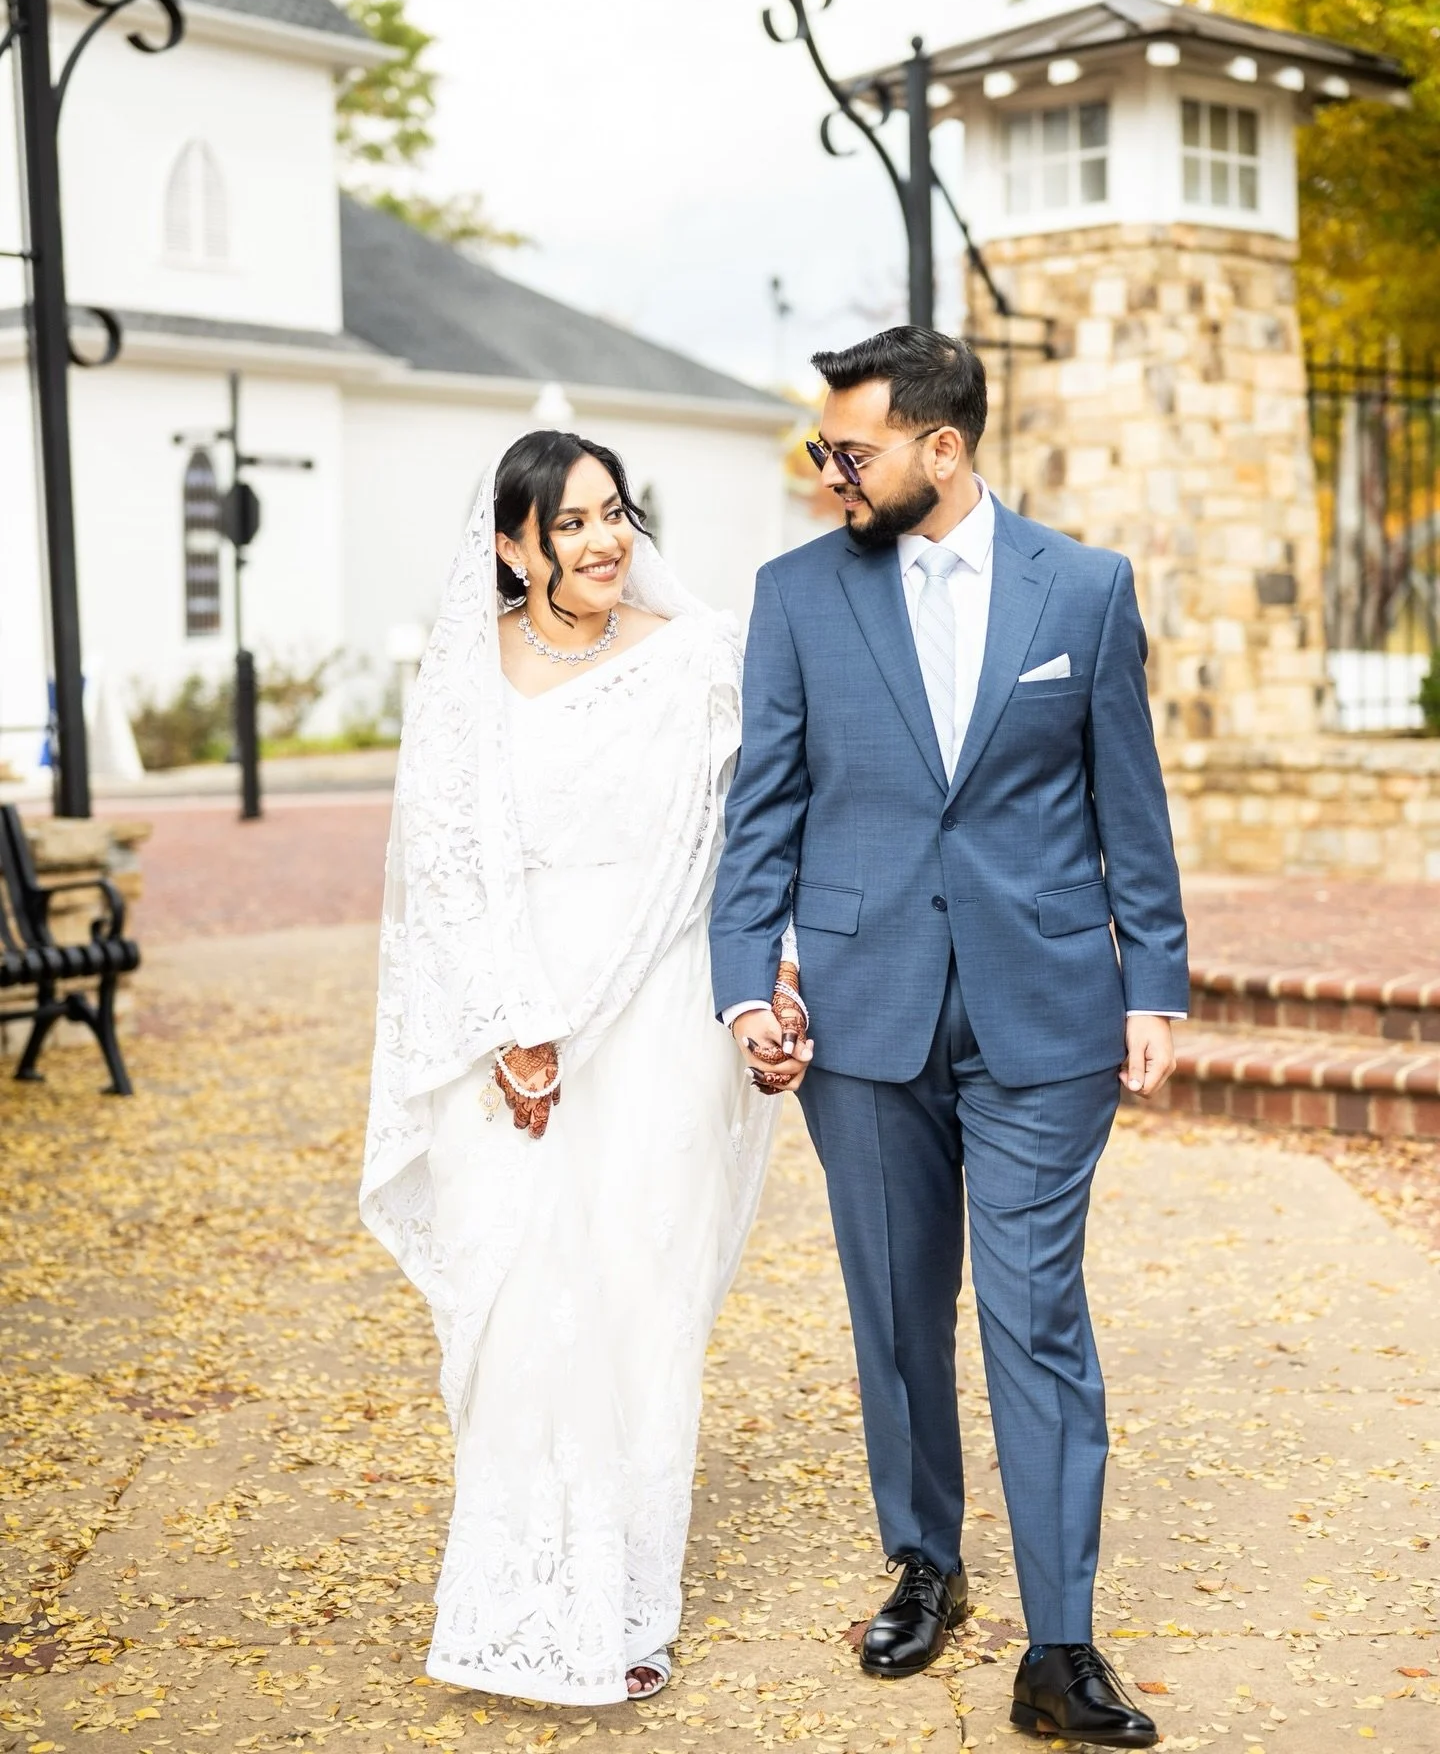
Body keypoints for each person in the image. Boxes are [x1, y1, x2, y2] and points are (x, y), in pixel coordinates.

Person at [709, 327, 1188, 1751]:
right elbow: (763, 818)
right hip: (860, 1013)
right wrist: (747, 986)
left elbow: (1129, 801)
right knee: (897, 1312)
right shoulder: (795, 596)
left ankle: (1061, 1644)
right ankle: (926, 1560)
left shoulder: (1085, 590)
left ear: (944, 448)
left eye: (848, 451)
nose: (828, 474)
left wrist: (1150, 983)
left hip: (1046, 1010)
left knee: (1034, 1315)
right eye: (822, 451)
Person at [361, 430, 801, 1708]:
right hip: (511, 1016)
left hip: (659, 1009)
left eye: (615, 512)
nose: (604, 540)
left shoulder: (699, 658)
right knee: (518, 1310)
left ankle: (627, 1604)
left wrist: (766, 983)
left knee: (639, 1300)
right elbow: (445, 866)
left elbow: (749, 841)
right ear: (514, 544)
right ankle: (506, 1596)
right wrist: (514, 1023)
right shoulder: (464, 674)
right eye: (570, 523)